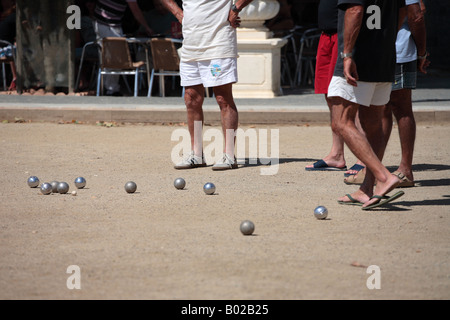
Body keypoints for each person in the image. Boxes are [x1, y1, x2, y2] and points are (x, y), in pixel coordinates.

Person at [160, 0, 254, 171]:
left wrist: (236, 7)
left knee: (222, 98)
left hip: (219, 39)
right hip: (191, 41)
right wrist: (177, 13)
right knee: (190, 98)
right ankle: (196, 154)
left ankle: (229, 155)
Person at [329, 0, 406, 209]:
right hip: (384, 57)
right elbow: (402, 10)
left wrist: (347, 55)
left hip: (359, 57)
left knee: (340, 122)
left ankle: (383, 176)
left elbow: (355, 9)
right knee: (373, 123)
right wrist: (383, 40)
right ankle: (367, 189)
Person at [343, 0, 429, 188]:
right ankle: (374, 169)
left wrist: (421, 53)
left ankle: (405, 170)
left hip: (398, 51)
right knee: (380, 110)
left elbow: (417, 13)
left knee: (401, 108)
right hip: (384, 51)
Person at [305, 0, 365, 175]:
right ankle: (337, 154)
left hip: (344, 36)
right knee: (331, 95)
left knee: (352, 97)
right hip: (326, 36)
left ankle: (364, 158)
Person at [93, 0, 154, 96]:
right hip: (109, 24)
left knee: (107, 57)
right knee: (116, 57)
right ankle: (111, 89)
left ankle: (104, 87)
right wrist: (147, 27)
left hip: (102, 22)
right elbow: (136, 11)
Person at [0, 0, 17, 91]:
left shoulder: (8, 16)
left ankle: (15, 77)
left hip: (4, 46)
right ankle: (16, 77)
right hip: (5, 47)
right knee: (18, 52)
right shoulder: (15, 18)